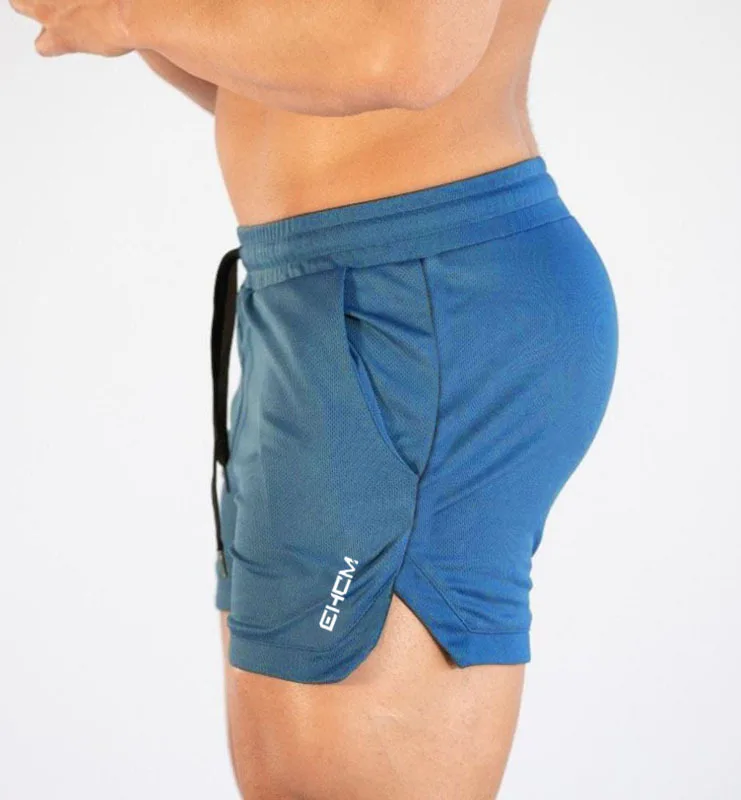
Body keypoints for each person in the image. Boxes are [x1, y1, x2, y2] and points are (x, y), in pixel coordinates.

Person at [10, 0, 618, 796]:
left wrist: (132, 15)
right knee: (290, 765)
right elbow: (294, 68)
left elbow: (405, 53)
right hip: (337, 293)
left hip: (415, 295)